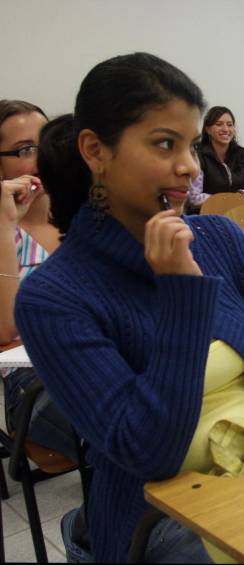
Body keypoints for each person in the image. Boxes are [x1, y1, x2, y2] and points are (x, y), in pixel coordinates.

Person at [16, 53, 244, 563]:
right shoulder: (55, 296)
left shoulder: (220, 237)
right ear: (96, 150)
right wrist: (182, 292)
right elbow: (149, 451)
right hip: (163, 511)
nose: (187, 164)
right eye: (164, 144)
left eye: (191, 145)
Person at [0, 100, 82, 462]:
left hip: (99, 355)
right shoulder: (4, 232)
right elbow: (7, 329)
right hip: (34, 379)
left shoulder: (82, 215)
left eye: (46, 142)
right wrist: (4, 224)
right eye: (23, 150)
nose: (40, 156)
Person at [187, 106, 244, 208]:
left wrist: (241, 195)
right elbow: (194, 198)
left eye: (230, 125)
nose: (225, 129)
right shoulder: (199, 156)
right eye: (219, 124)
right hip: (208, 216)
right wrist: (226, 201)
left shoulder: (242, 155)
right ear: (208, 129)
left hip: (239, 213)